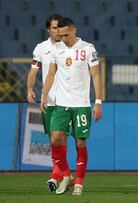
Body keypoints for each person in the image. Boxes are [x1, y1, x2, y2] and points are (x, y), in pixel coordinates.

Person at [41, 17, 103, 196]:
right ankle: (67, 176)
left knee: (80, 142)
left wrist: (98, 102)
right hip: (61, 104)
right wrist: (44, 95)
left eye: (66, 35)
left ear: (74, 30)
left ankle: (79, 184)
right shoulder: (57, 49)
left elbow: (96, 76)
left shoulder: (88, 49)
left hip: (81, 105)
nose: (63, 39)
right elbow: (51, 73)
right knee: (54, 140)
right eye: (60, 36)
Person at [27, 14, 67, 192]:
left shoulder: (69, 46)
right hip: (48, 100)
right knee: (53, 141)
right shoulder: (41, 48)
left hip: (67, 101)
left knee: (61, 139)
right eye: (54, 27)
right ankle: (66, 176)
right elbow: (34, 71)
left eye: (59, 27)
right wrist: (29, 89)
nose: (57, 31)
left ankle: (55, 176)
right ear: (48, 29)